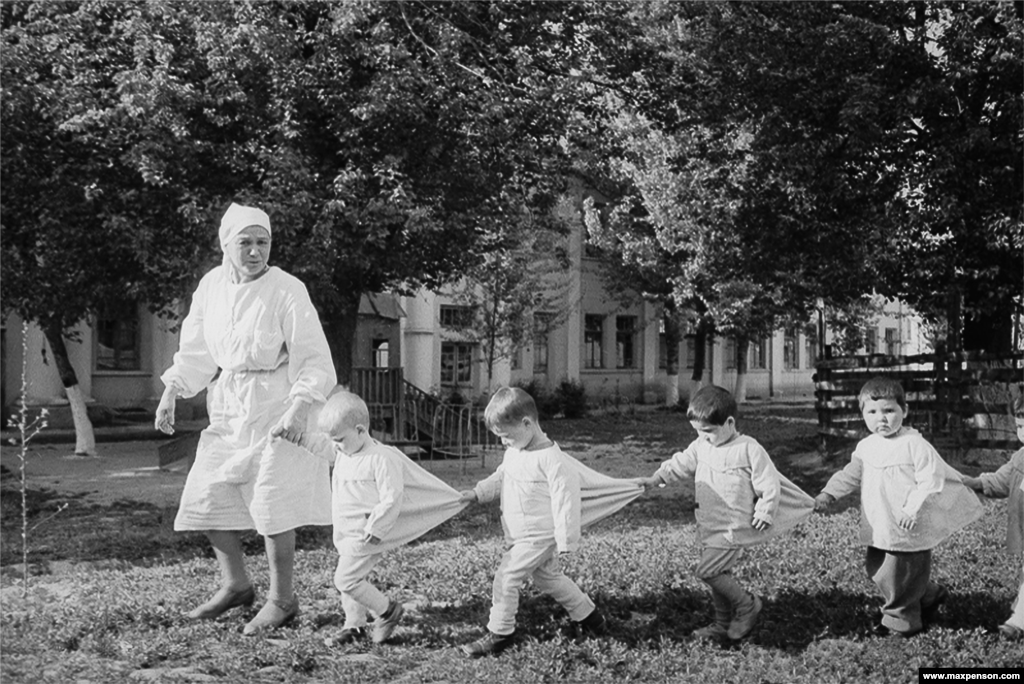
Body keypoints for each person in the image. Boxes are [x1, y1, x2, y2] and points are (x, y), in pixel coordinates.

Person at [154, 202, 336, 636]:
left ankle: (282, 599)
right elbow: (196, 350)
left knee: (273, 502)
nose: (255, 252)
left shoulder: (288, 288)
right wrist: (172, 390)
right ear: (225, 244)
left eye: (263, 242)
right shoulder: (211, 286)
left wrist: (299, 406)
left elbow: (314, 357)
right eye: (246, 242)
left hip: (278, 403)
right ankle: (235, 584)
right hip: (230, 401)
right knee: (207, 493)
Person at [459, 387, 635, 657]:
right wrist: (478, 493)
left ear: (527, 424)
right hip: (519, 534)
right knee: (549, 578)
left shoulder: (554, 461)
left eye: (506, 436)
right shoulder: (515, 453)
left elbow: (566, 502)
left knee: (507, 576)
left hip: (538, 536)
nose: (504, 443)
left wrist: (566, 540)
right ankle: (589, 616)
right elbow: (500, 477)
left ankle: (500, 633)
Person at [637, 385, 814, 642]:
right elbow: (682, 462)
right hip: (710, 523)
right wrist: (658, 477)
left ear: (729, 423)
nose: (703, 437)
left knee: (707, 571)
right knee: (719, 574)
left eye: (708, 431)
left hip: (733, 527)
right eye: (698, 432)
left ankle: (748, 605)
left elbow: (769, 483)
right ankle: (721, 625)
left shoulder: (748, 448)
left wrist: (765, 511)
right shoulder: (702, 446)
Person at [815, 377, 983, 637]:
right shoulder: (866, 447)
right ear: (863, 414)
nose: (881, 418)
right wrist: (829, 493)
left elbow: (930, 481)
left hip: (906, 525)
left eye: (889, 410)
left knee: (899, 575)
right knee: (879, 570)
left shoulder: (914, 445)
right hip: (879, 523)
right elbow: (850, 474)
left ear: (904, 411)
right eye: (872, 412)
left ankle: (901, 621)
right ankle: (927, 594)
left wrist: (912, 509)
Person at [299, 390, 467, 645]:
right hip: (346, 531)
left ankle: (387, 610)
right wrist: (293, 435)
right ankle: (354, 626)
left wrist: (377, 527)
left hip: (367, 532)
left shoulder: (381, 458)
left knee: (345, 579)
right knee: (351, 580)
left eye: (340, 439)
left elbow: (392, 497)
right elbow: (320, 445)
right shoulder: (344, 451)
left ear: (360, 430)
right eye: (333, 440)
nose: (335, 445)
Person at [962, 394, 1024, 639]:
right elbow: (1001, 481)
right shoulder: (1021, 458)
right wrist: (975, 482)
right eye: (1020, 426)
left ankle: (1018, 622)